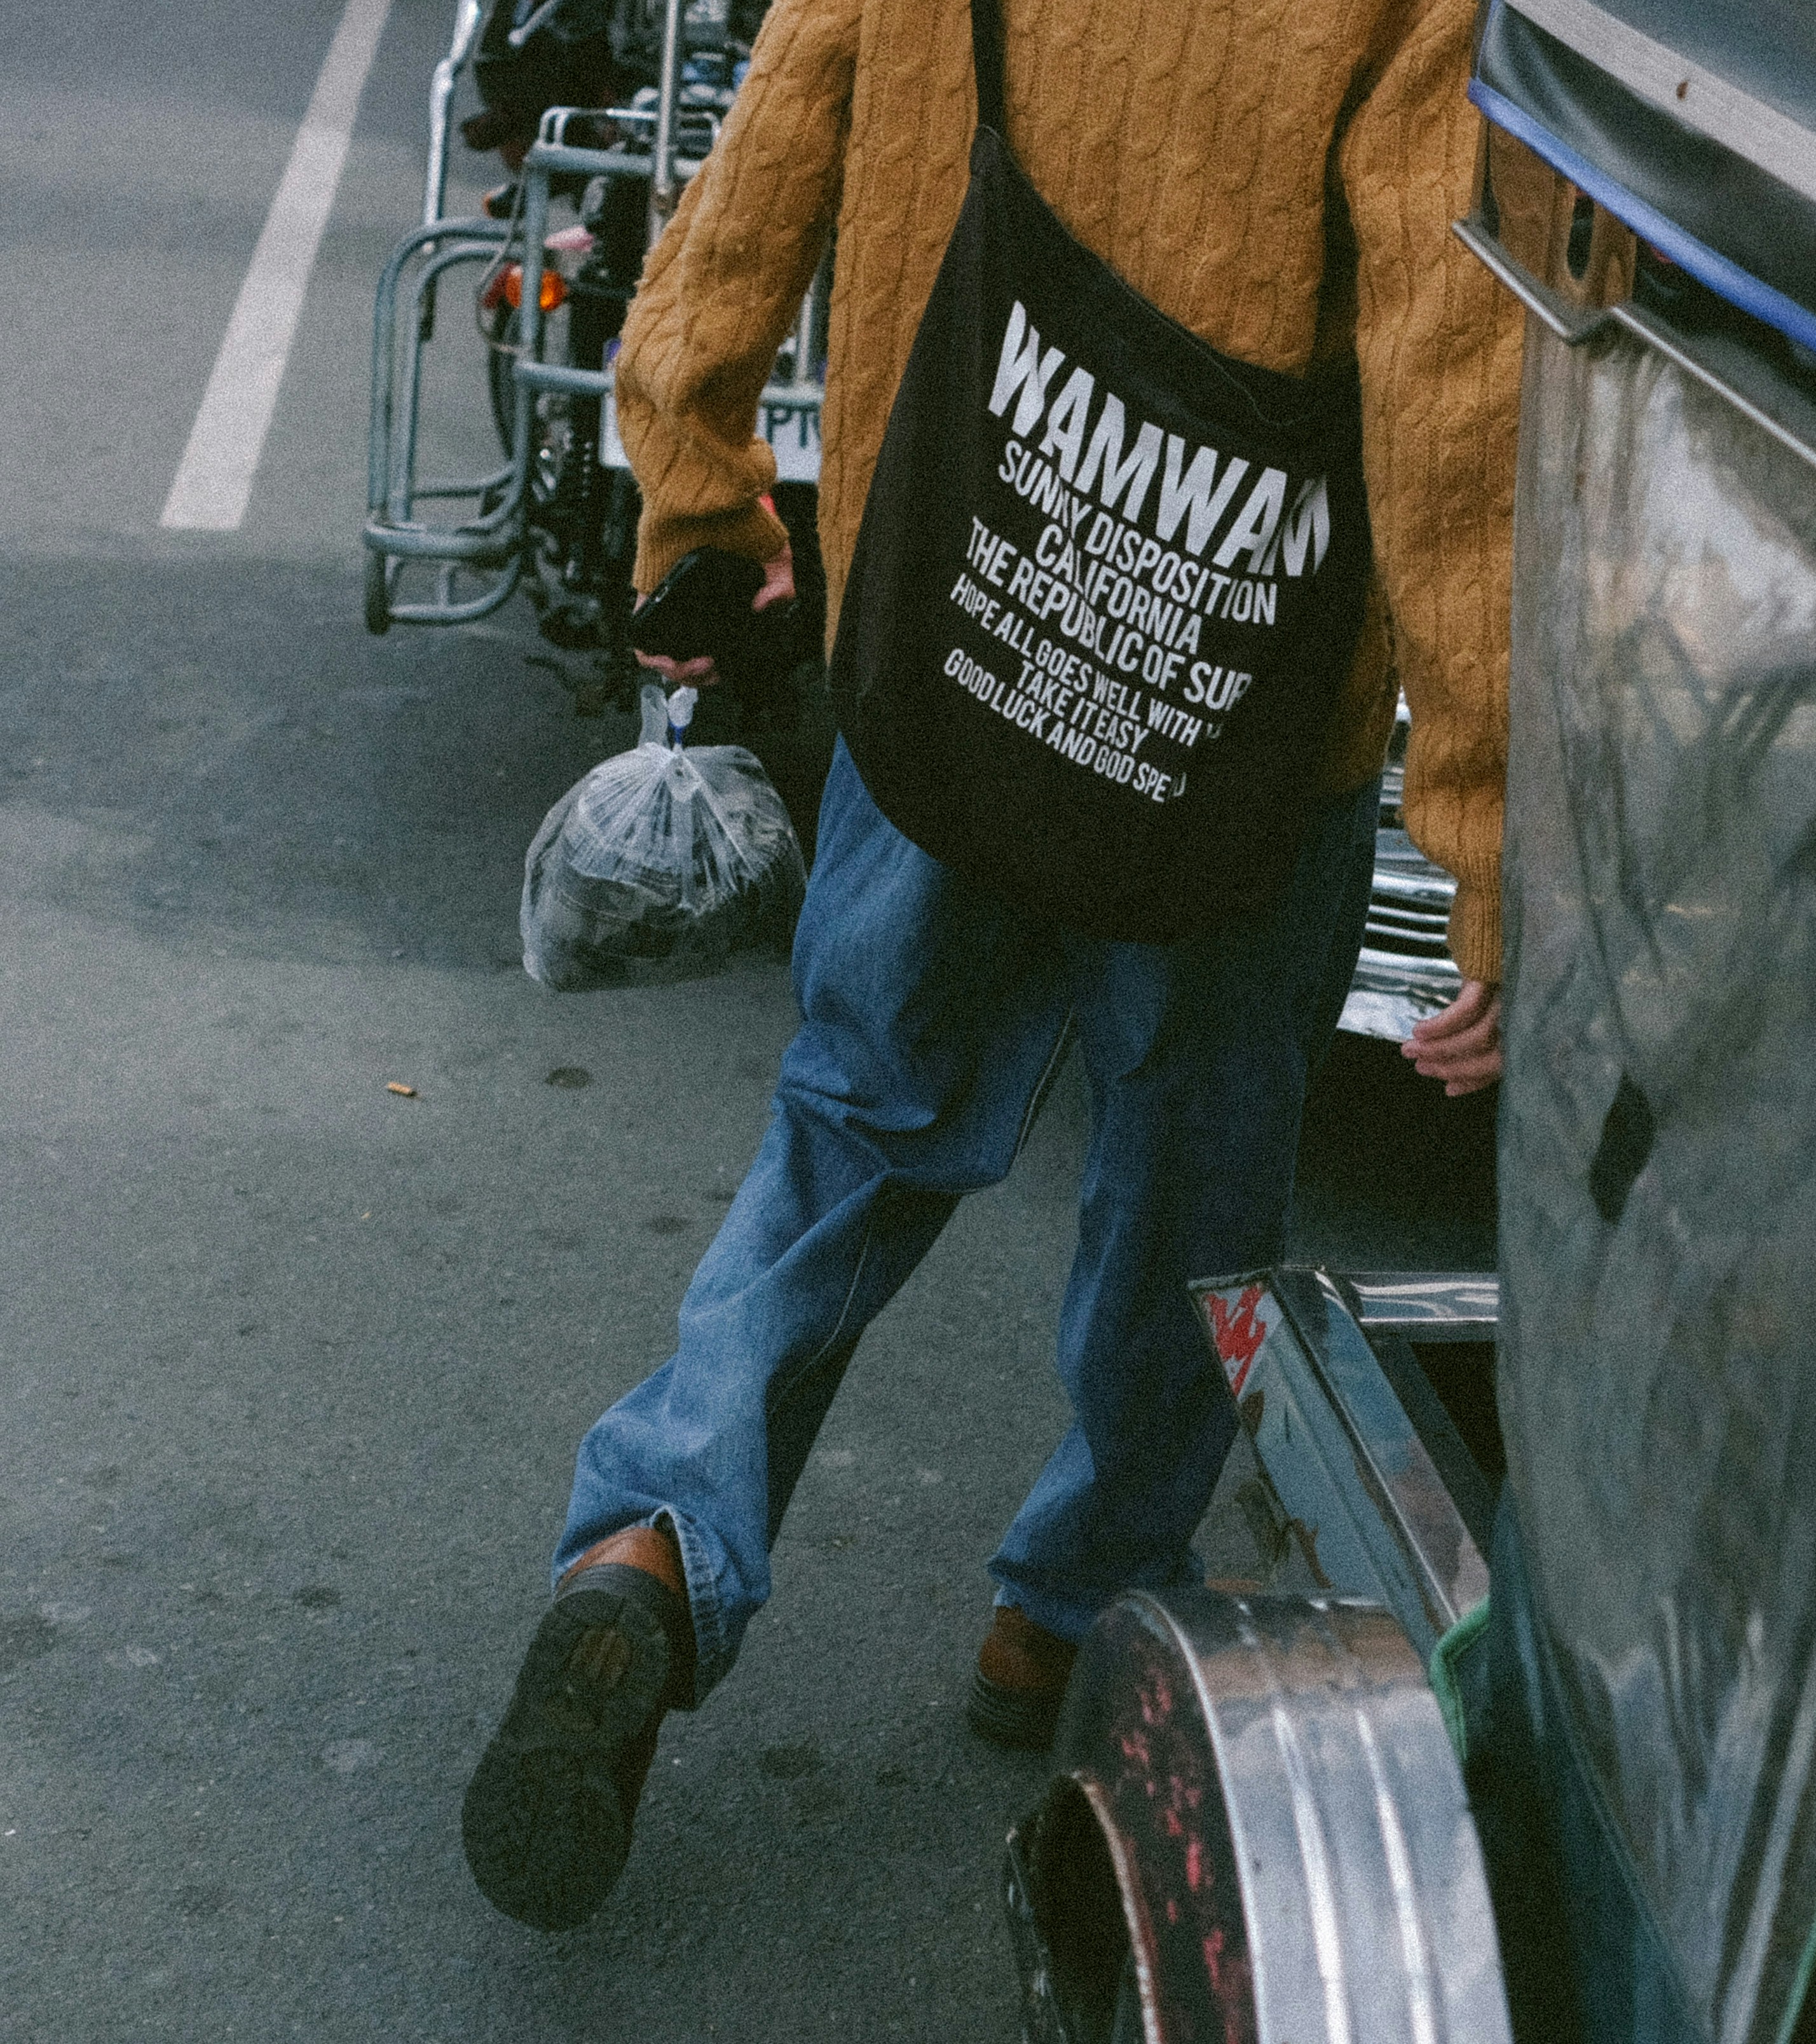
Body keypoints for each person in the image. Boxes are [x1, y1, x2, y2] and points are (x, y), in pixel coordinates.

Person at [457, 0, 1517, 1933]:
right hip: (1235, 723)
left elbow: (761, 165)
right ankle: (1071, 1612)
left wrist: (698, 488)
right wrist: (1489, 833)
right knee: (1189, 1192)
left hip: (947, 628)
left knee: (851, 1127)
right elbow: (1451, 379)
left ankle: (655, 1542)